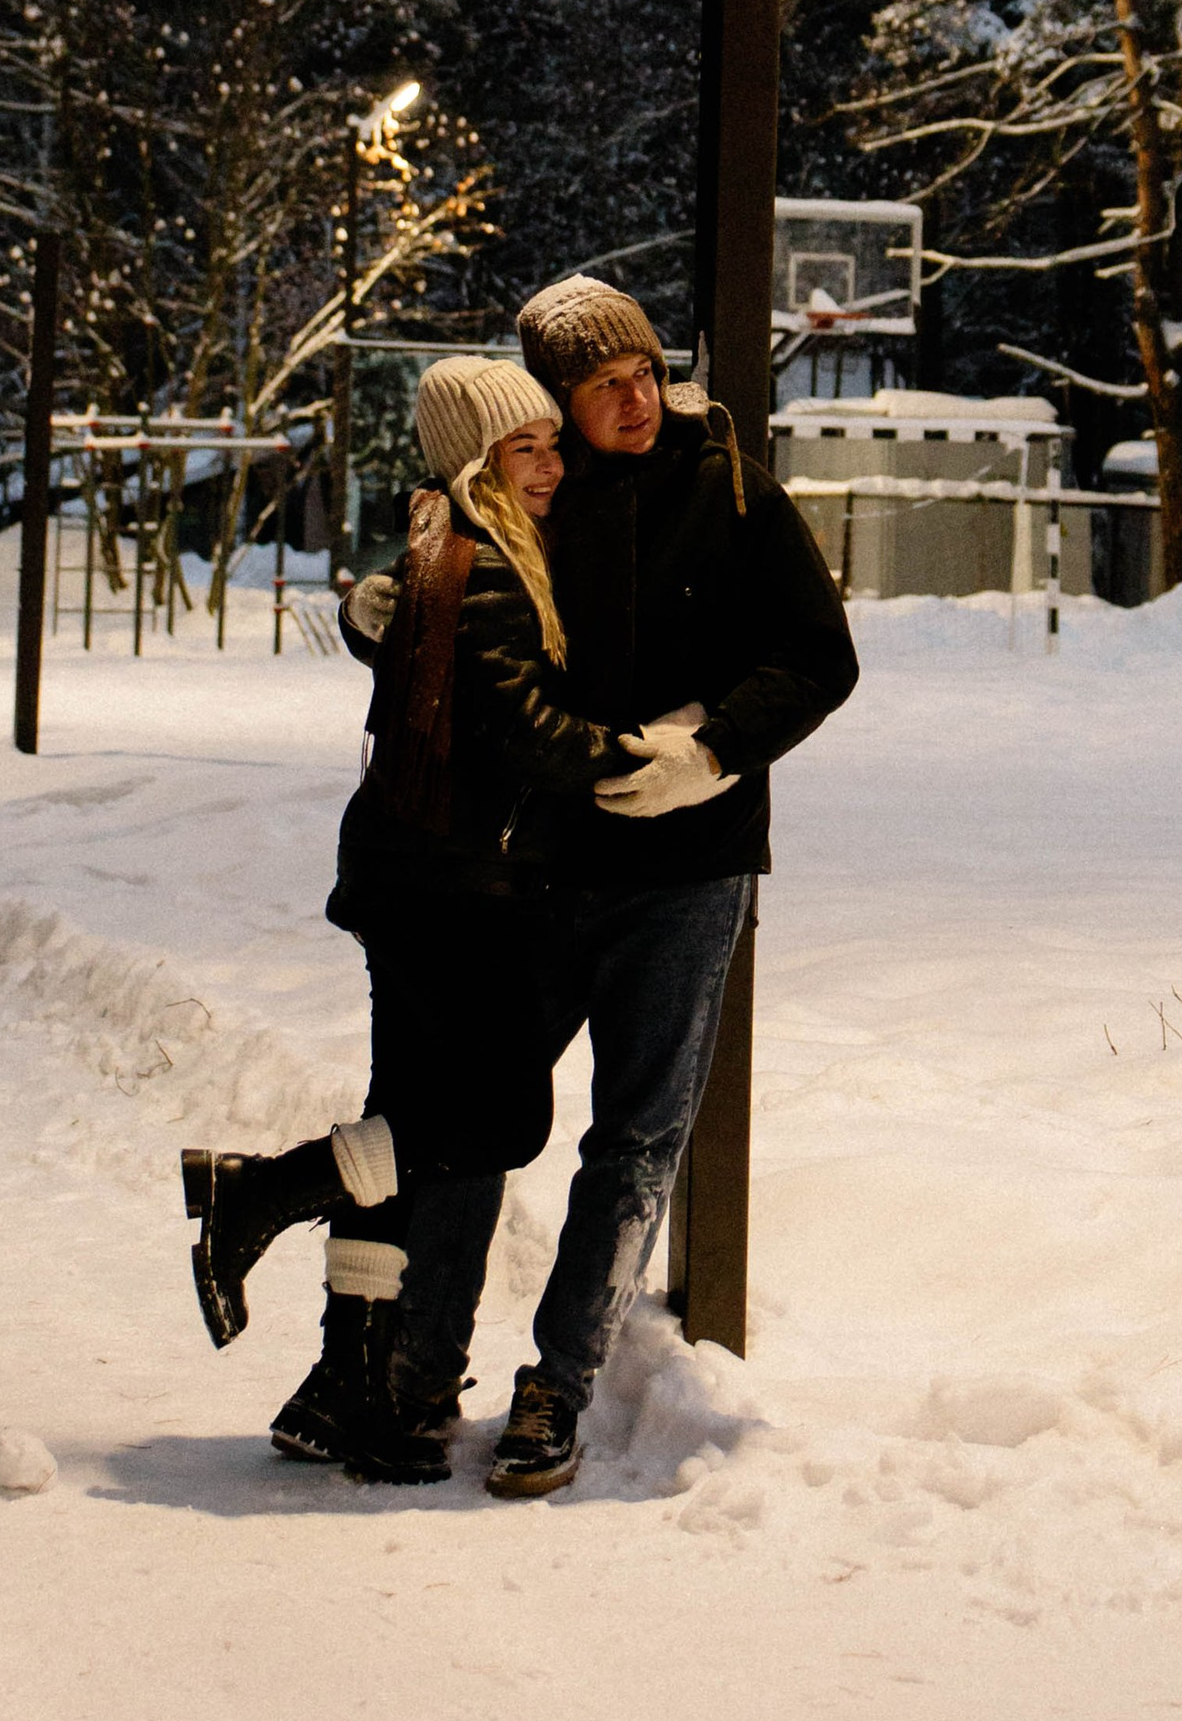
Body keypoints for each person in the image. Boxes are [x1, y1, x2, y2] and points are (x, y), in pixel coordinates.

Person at [403, 275, 859, 1500]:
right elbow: (447, 594)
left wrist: (711, 748)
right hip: (536, 865)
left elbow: (820, 655)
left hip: (687, 866)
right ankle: (414, 1365)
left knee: (638, 1131)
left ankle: (560, 1377)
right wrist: (384, 609)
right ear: (554, 399)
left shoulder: (732, 488)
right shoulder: (527, 489)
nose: (634, 398)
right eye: (602, 384)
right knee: (471, 1114)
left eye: (644, 373)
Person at [179, 356, 618, 1484]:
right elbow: (520, 722)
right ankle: (262, 1191)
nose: (552, 467)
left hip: (424, 876)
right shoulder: (473, 561)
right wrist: (637, 758)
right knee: (497, 1122)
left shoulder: (449, 544)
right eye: (527, 449)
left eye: (550, 446)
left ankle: (349, 1384)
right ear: (476, 459)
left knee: (405, 1129)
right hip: (449, 889)